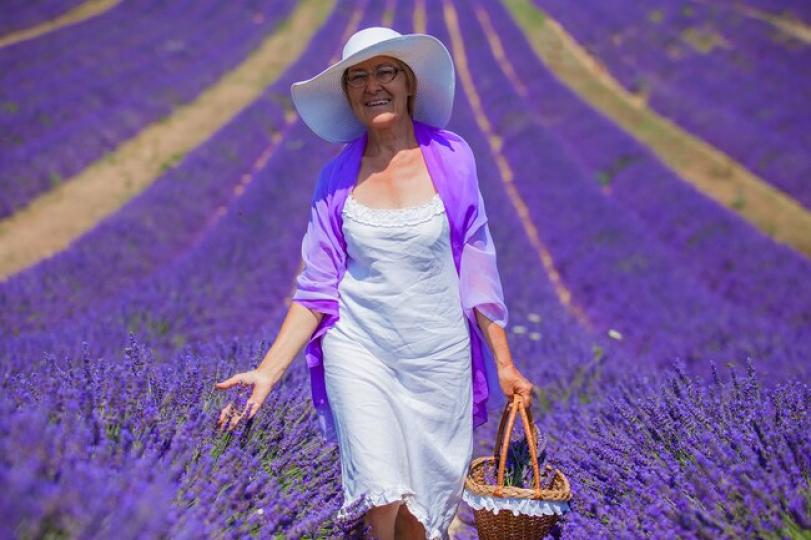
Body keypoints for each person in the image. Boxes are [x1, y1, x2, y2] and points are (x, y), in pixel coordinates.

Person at [214, 27, 533, 540]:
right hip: (359, 350)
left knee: (424, 516)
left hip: (437, 360)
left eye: (385, 71)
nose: (372, 85)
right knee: (378, 494)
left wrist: (504, 363)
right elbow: (316, 288)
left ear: (408, 83)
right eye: (357, 77)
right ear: (348, 96)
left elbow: (478, 268)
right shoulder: (335, 180)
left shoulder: (453, 159)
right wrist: (268, 373)